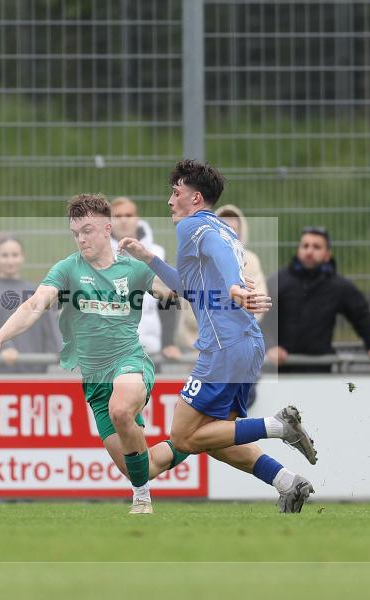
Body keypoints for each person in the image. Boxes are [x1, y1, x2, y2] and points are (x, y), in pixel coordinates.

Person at [0, 194, 189, 514]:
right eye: (76, 233)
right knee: (145, 466)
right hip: (95, 380)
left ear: (106, 228)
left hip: (131, 361)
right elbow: (34, 305)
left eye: (87, 230)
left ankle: (141, 498)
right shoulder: (68, 269)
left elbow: (181, 290)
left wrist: (152, 259)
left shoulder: (133, 267)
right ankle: (193, 443)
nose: (81, 238)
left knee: (120, 410)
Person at [120, 160, 318, 513]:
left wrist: (234, 285)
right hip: (245, 344)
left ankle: (277, 425)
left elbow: (220, 254)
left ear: (195, 198)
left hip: (223, 347)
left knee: (183, 437)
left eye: (176, 193)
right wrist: (148, 257)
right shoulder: (220, 228)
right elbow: (188, 288)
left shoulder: (194, 227)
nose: (170, 201)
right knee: (214, 437)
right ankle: (288, 482)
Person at [173, 203, 267, 407]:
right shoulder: (197, 260)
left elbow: (255, 305)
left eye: (233, 230)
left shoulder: (249, 260)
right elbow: (188, 307)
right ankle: (272, 426)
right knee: (206, 427)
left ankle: (271, 426)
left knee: (207, 425)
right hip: (198, 350)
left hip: (233, 348)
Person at [264, 226, 370, 373]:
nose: (309, 251)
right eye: (305, 246)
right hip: (280, 368)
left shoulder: (338, 286)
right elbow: (260, 319)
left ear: (327, 254)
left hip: (320, 368)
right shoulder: (277, 281)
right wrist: (270, 346)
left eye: (316, 247)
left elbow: (361, 316)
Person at [0, 235, 61, 373]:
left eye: (15, 255)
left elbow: (51, 326)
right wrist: (6, 347)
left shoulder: (36, 291)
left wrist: (62, 351)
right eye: (5, 255)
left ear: (23, 257)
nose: (10, 261)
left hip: (32, 369)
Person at [109, 197, 179, 358]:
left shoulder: (157, 254)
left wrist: (168, 342)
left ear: (137, 218)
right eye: (118, 216)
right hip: (111, 350)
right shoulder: (99, 256)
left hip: (150, 348)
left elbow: (168, 301)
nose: (123, 220)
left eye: (128, 215)